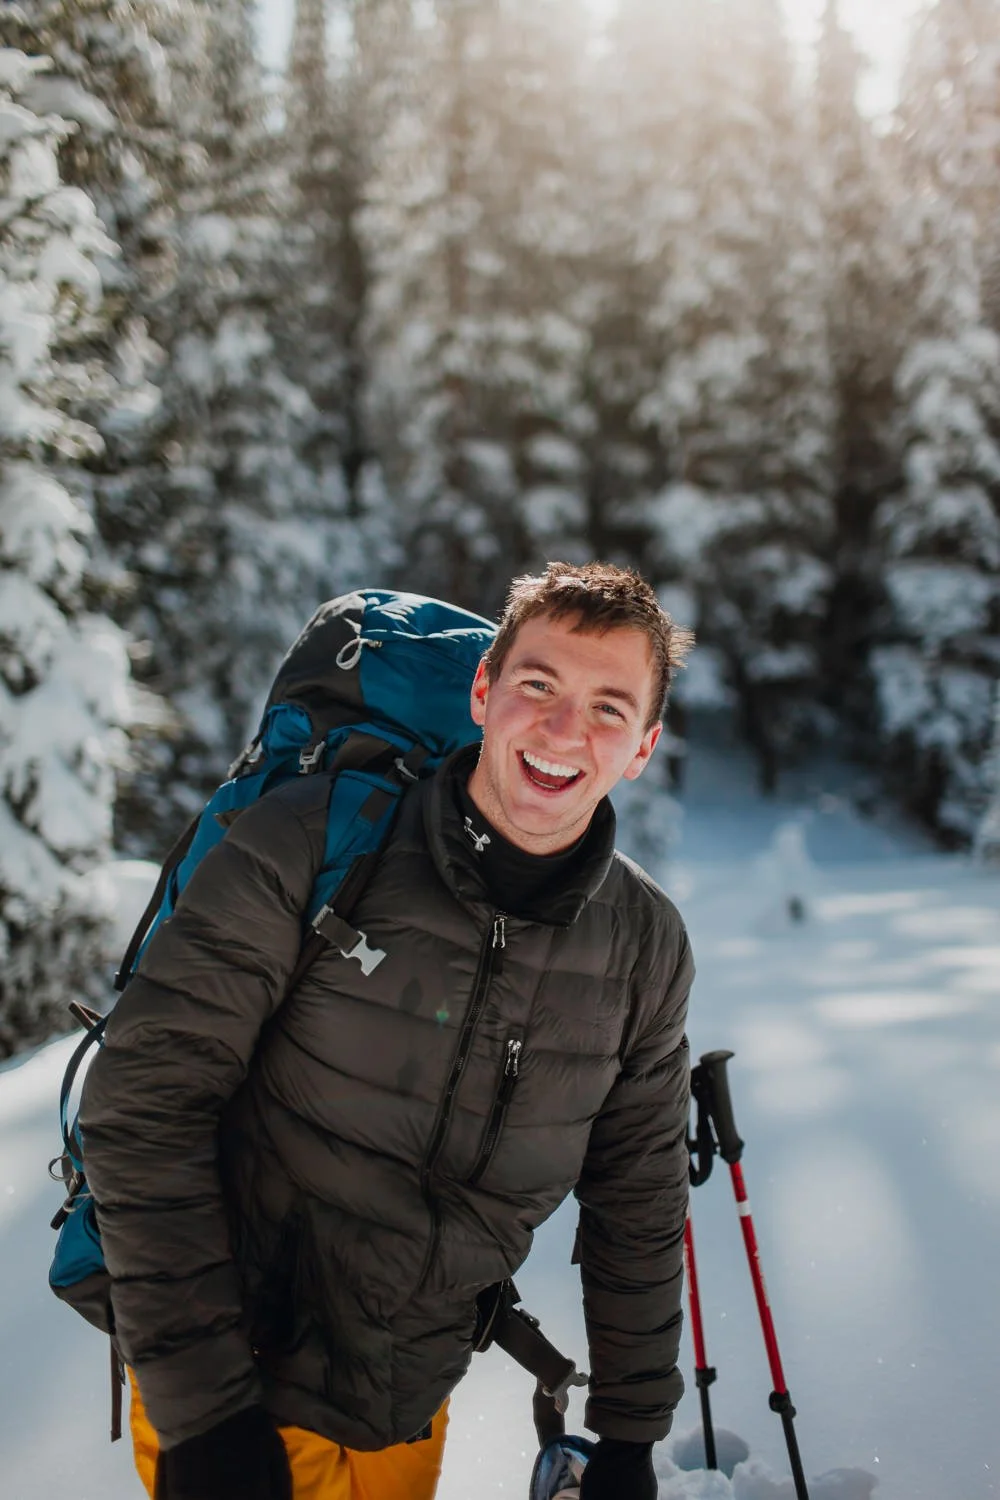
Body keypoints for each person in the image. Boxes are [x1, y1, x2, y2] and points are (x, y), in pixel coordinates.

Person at [80, 561, 696, 1500]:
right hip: (232, 1378)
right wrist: (206, 1413)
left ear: (644, 746)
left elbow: (640, 1203)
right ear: (485, 692)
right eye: (539, 685)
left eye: (611, 708)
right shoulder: (315, 842)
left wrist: (630, 1436)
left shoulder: (642, 946)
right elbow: (143, 1106)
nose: (567, 732)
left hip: (407, 1399)